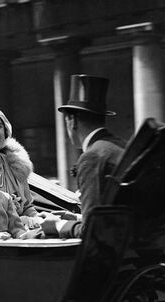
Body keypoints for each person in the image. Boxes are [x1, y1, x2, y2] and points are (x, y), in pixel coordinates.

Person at [41, 75, 126, 238]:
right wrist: (77, 218)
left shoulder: (92, 157)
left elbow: (92, 230)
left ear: (71, 120)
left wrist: (58, 225)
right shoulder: (119, 146)